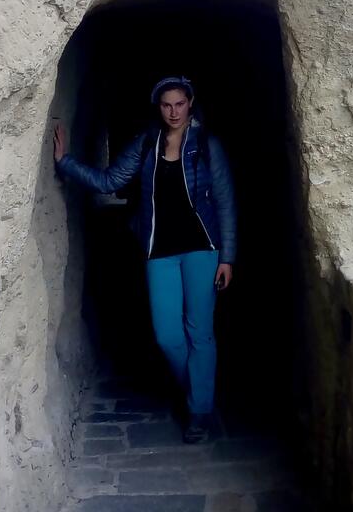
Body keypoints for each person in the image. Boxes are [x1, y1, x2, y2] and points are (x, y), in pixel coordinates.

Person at [53, 76, 236, 443]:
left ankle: (199, 412)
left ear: (190, 103)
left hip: (203, 249)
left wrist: (227, 257)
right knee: (167, 335)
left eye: (179, 104)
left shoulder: (206, 144)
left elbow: (224, 201)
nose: (174, 112)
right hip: (159, 251)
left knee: (199, 332)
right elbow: (109, 181)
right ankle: (199, 393)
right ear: (159, 107)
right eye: (167, 105)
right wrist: (65, 161)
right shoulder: (147, 143)